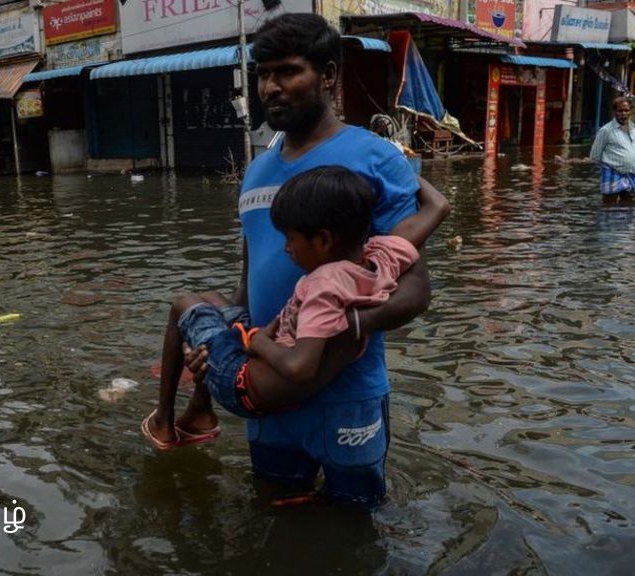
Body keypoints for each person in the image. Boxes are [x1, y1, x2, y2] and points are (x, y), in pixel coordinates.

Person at [181, 13, 438, 507]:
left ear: (328, 75)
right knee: (275, 505)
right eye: (263, 74)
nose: (270, 87)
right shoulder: (256, 171)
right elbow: (248, 284)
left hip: (346, 392)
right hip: (269, 389)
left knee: (354, 519)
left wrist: (330, 337)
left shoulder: (375, 158)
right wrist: (226, 345)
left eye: (287, 71)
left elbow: (415, 289)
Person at [144, 167, 449, 459]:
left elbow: (299, 367)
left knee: (183, 304)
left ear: (324, 240)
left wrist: (257, 341)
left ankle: (163, 422)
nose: (286, 248)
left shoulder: (323, 286)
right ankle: (199, 411)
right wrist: (397, 169)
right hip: (266, 364)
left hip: (241, 384)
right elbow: (438, 206)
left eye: (290, 238)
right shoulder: (382, 256)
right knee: (210, 300)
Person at [590, 97, 635, 203]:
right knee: (609, 205)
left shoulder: (633, 128)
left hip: (631, 173)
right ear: (614, 112)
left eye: (626, 110)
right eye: (620, 111)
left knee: (629, 204)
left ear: (630, 111)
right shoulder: (606, 130)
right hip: (612, 173)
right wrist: (610, 165)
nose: (624, 114)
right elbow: (594, 155)